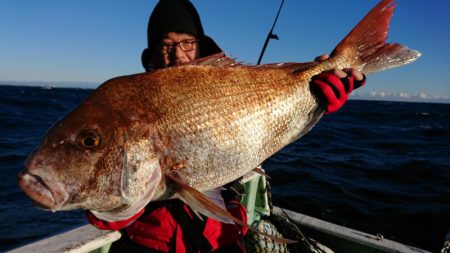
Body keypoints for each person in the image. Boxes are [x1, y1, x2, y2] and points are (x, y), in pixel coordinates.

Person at [87, 0, 366, 252]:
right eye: (166, 44)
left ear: (199, 46)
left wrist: (316, 99)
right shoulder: (129, 105)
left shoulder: (227, 88)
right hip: (152, 243)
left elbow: (266, 125)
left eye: (187, 43)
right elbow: (104, 209)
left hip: (224, 238)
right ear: (152, 55)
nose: (178, 54)